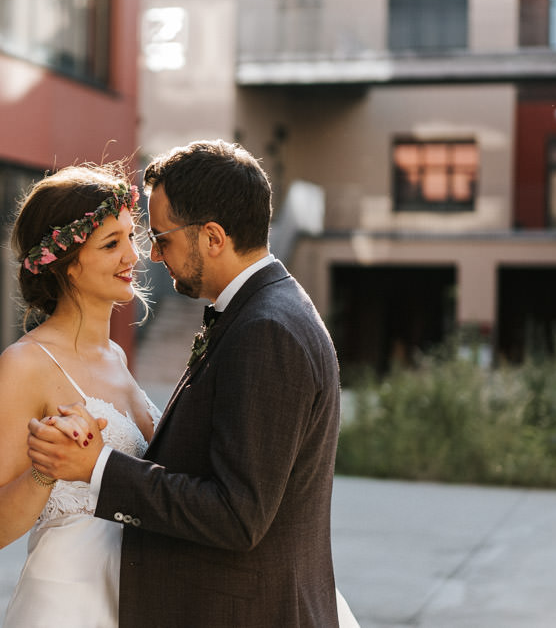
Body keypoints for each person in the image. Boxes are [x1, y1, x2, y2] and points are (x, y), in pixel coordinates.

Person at [28, 139, 357, 627]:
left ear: (213, 238)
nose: (153, 256)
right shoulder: (264, 311)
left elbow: (237, 515)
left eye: (161, 239)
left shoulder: (266, 330)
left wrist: (98, 467)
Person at [0, 161, 161, 627]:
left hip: (133, 596)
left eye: (130, 238)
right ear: (69, 264)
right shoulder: (24, 366)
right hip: (66, 603)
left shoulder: (116, 356)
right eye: (112, 244)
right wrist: (44, 471)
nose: (132, 257)